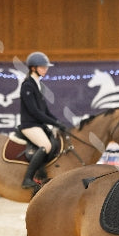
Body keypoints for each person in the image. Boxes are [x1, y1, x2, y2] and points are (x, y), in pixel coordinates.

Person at [18, 51, 68, 189]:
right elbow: (34, 111)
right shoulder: (27, 85)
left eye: (46, 67)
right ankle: (27, 178)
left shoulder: (37, 84)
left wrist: (58, 122)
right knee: (46, 146)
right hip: (29, 125)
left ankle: (43, 173)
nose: (45, 69)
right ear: (33, 68)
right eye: (42, 67)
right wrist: (54, 123)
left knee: (55, 141)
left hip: (38, 125)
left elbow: (45, 111)